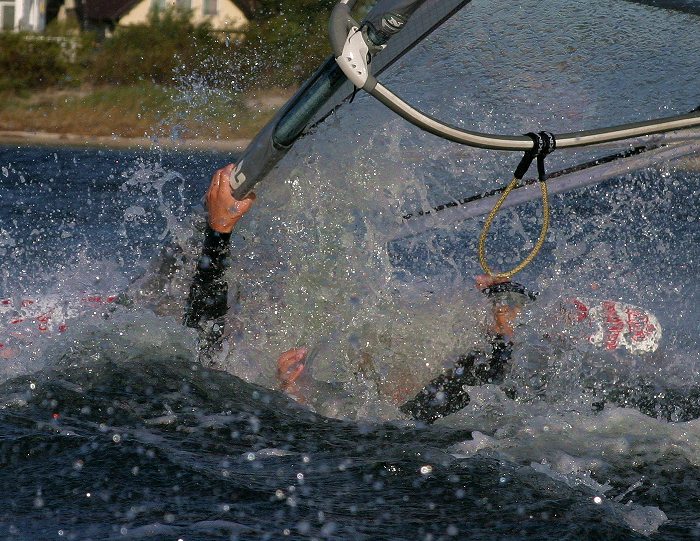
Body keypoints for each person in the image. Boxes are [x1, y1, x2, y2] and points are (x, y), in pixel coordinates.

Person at [189, 164, 700, 424]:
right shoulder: (381, 412)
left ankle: (511, 329)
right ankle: (511, 328)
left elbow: (203, 349)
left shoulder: (376, 421)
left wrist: (219, 234)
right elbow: (460, 390)